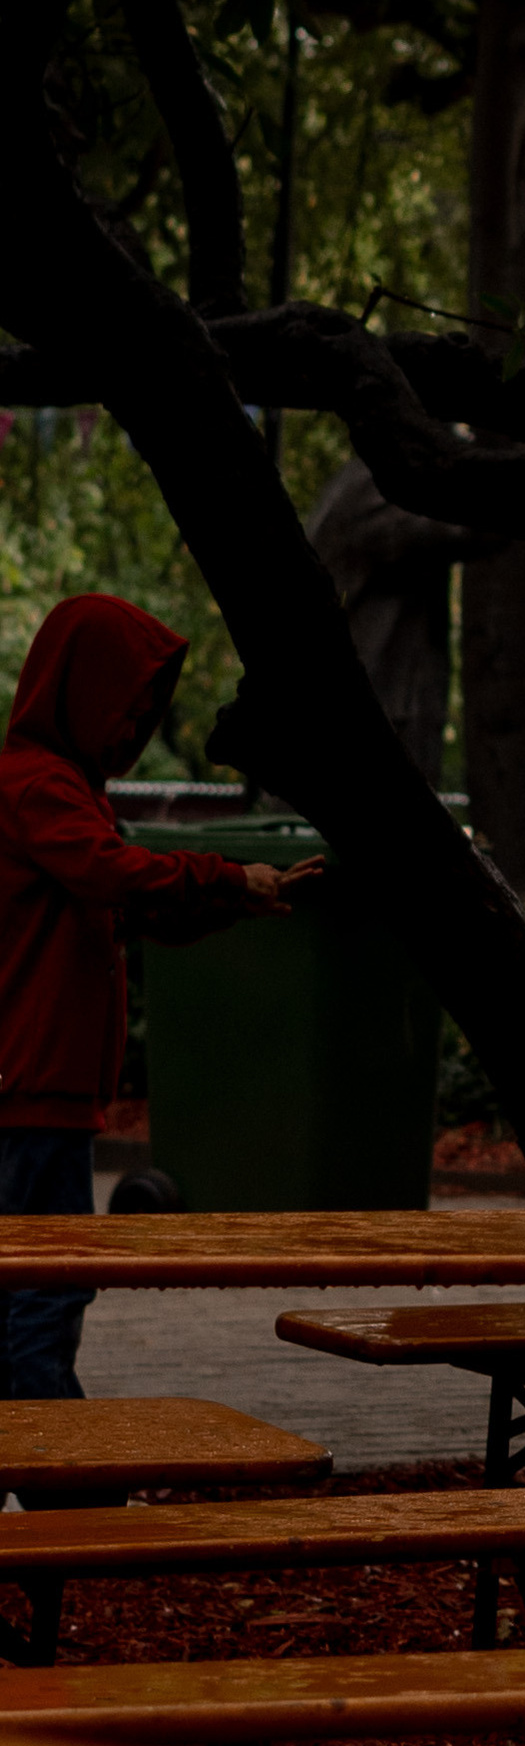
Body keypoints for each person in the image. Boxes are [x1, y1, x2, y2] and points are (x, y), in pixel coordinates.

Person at [0, 596, 321, 1399]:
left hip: (39, 1093)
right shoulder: (35, 785)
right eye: (126, 702)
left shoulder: (62, 789)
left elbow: (124, 907)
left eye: (147, 709)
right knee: (46, 1290)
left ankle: (55, 1491)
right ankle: (69, 1499)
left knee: (31, 1292)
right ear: (77, 688)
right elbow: (111, 874)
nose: (135, 725)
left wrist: (237, 896)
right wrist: (222, 876)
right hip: (33, 1095)